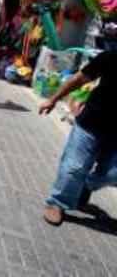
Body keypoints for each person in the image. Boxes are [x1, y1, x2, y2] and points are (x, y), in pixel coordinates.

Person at [39, 49, 117, 226]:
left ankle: (85, 185)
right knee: (73, 168)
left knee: (113, 174)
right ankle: (57, 203)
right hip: (91, 124)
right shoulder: (111, 56)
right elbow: (79, 79)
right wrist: (53, 99)